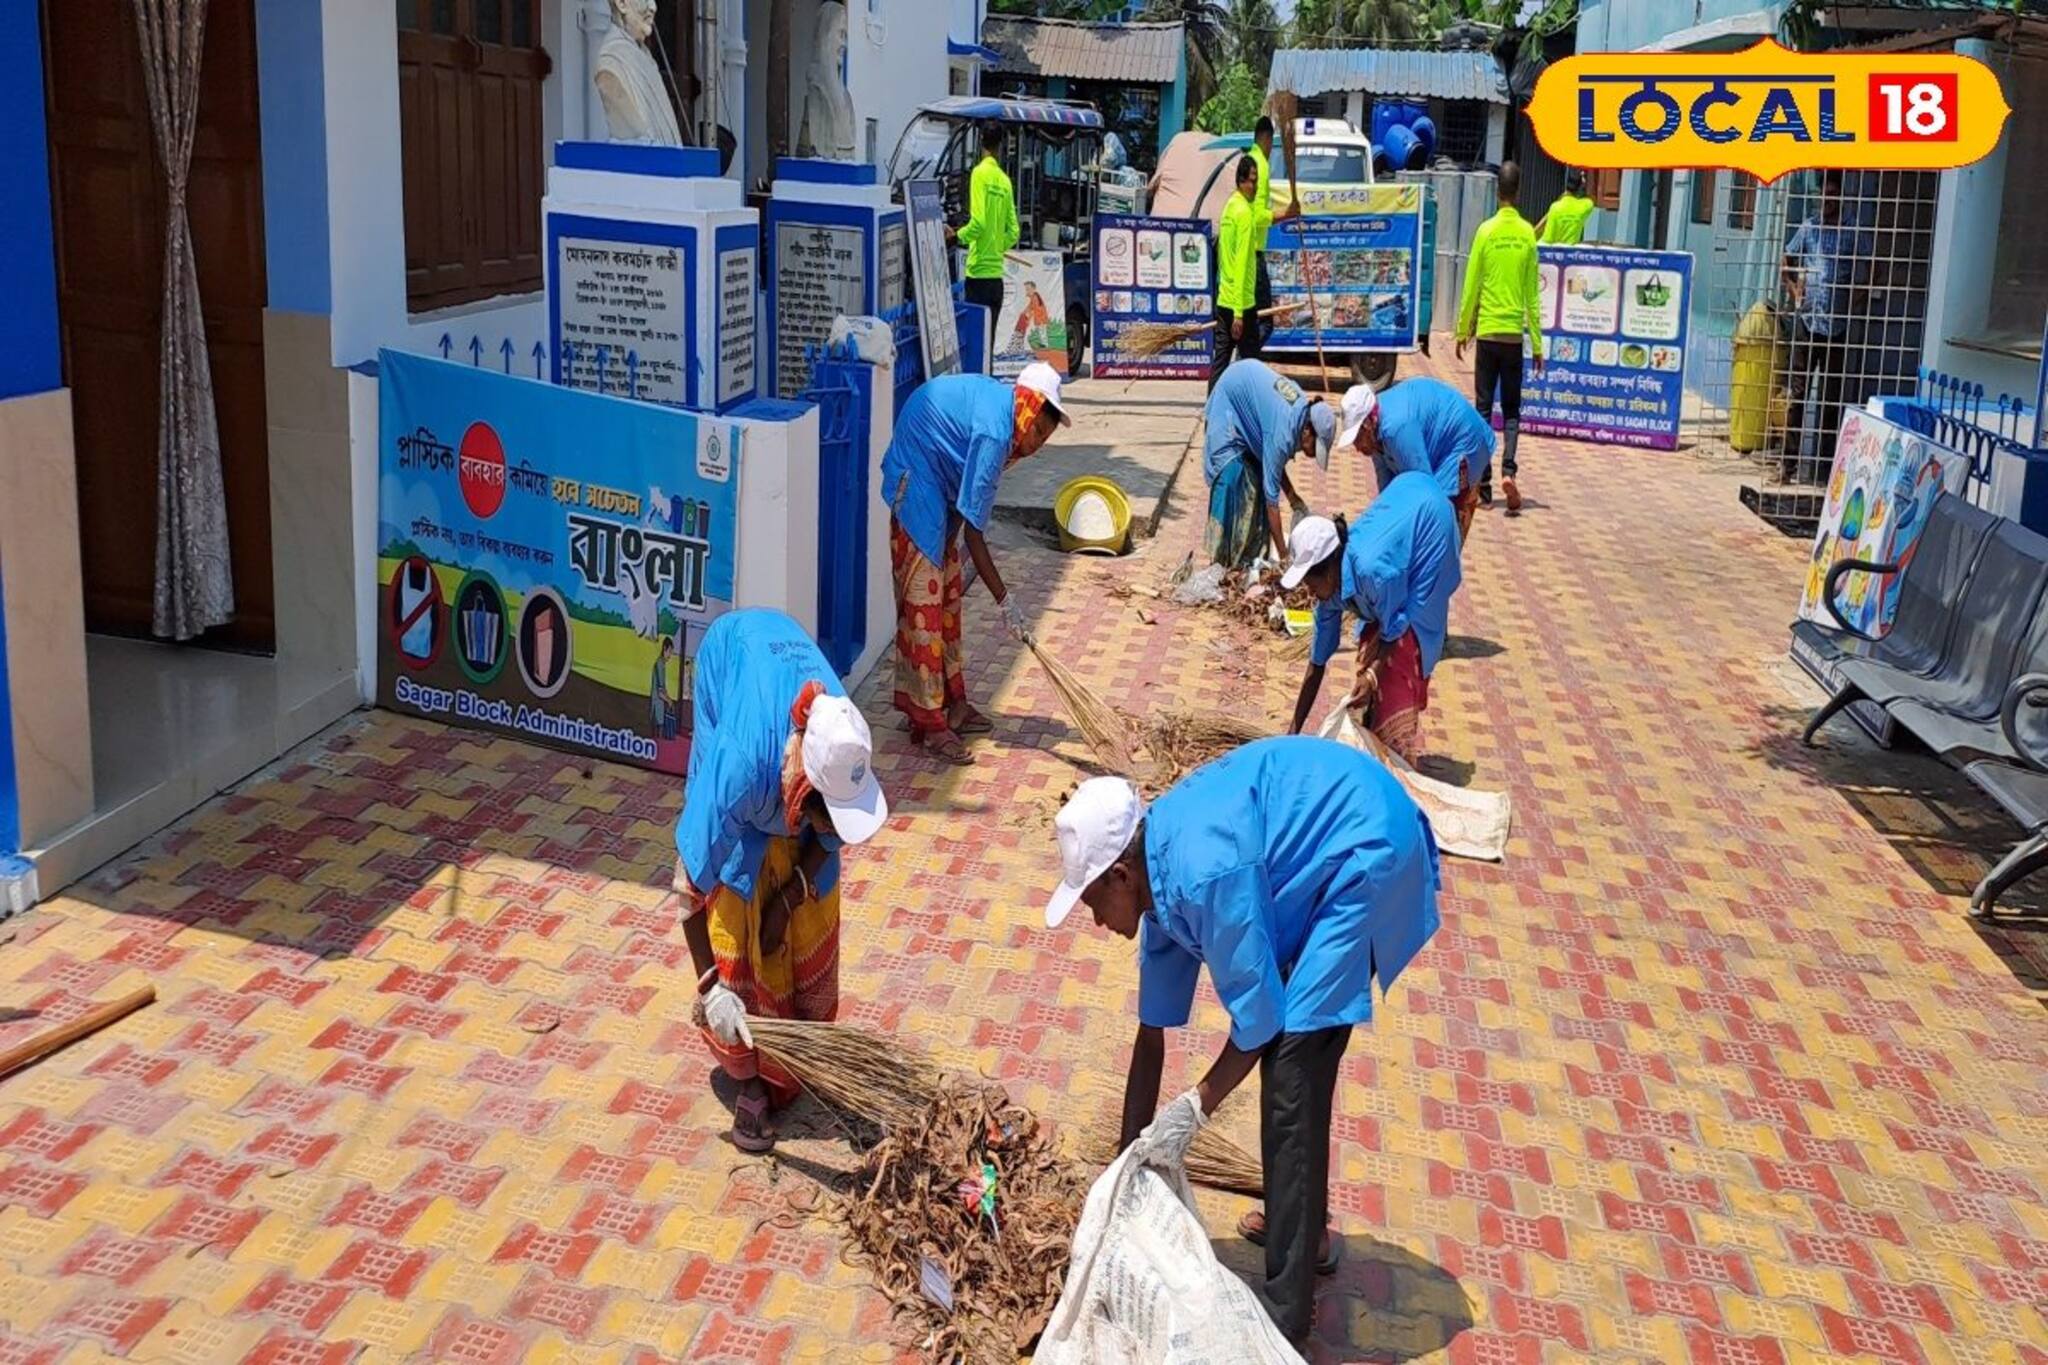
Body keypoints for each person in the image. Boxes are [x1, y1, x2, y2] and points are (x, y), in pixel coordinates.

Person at [1043, 738, 1442, 1346]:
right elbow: (1150, 1035)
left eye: (1095, 902)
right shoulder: (1158, 886)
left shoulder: (1204, 872)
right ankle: (1304, 1235)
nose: (1097, 922)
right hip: (1331, 841)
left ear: (1120, 874)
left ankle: (1286, 1318)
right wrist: (1123, 1173)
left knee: (1291, 1076)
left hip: (1368, 853)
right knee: (1288, 1069)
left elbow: (1260, 1023)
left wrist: (1193, 1109)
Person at [673, 608, 889, 1153]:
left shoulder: (843, 737)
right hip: (733, 666)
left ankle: (801, 1042)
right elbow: (687, 886)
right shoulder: (741, 768)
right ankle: (747, 1076)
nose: (836, 828)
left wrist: (790, 897)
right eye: (827, 815)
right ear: (802, 791)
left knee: (813, 897)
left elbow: (830, 837)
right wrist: (710, 987)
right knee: (736, 890)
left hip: (780, 669)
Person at [880, 361, 1069, 763]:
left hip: (939, 478)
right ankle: (930, 721)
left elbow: (970, 516)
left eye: (1045, 437)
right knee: (924, 604)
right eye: (1037, 430)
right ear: (1027, 407)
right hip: (918, 473)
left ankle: (954, 702)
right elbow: (975, 536)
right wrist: (1006, 602)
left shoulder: (1007, 417)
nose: (1037, 444)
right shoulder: (995, 433)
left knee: (948, 594)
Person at [1281, 474, 1463, 760]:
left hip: (1433, 525)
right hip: (1408, 494)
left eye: (1312, 584)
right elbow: (1316, 665)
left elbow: (1399, 620)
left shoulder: (1371, 571)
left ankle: (1398, 757)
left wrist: (1372, 674)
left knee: (1402, 652)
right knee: (1371, 645)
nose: (1311, 593)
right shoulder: (1330, 595)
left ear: (1329, 569)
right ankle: (1376, 739)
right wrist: (1292, 733)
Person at [1456, 161, 1544, 515]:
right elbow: (1532, 296)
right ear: (1518, 191)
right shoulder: (1526, 234)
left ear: (1498, 193)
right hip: (1512, 336)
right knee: (1511, 410)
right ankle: (1509, 468)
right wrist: (1536, 343)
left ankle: (1487, 483)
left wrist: (1464, 328)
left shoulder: (1485, 231)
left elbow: (1471, 283)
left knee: (1481, 409)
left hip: (1488, 333)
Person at [1202, 358, 1337, 570]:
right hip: (1229, 400)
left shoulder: (1300, 411)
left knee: (1256, 481)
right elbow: (1272, 502)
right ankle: (1218, 561)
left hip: (1246, 387)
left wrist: (1293, 498)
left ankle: (1246, 561)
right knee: (1230, 477)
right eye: (1314, 448)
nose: (1311, 455)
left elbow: (1272, 465)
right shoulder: (1282, 433)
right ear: (1308, 430)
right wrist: (1284, 558)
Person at [1779, 169, 1867, 483]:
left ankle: (1826, 471)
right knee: (1798, 394)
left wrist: (1854, 300)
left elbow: (1871, 268)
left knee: (1830, 399)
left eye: (1832, 196)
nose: (1827, 201)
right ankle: (1787, 466)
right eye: (1823, 196)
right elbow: (1785, 260)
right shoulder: (1809, 228)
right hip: (1807, 320)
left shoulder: (1852, 230)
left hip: (1836, 326)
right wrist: (1795, 292)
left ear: (1840, 198)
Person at [1347, 376, 1498, 541]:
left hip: (1463, 441)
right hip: (1438, 442)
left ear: (1368, 425)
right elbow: (1388, 489)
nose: (1356, 448)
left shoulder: (1397, 428)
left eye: (1357, 439)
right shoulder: (1375, 434)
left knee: (1441, 525)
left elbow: (1421, 488)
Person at [951, 122, 1018, 318]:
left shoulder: (979, 173)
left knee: (975, 344)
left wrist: (957, 236)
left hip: (978, 275)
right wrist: (997, 246)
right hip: (996, 280)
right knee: (988, 344)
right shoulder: (1005, 181)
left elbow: (978, 223)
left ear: (981, 142)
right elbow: (1014, 231)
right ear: (1000, 145)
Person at [1247, 117, 1303, 349]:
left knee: (1252, 319)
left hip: (1249, 251)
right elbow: (1256, 215)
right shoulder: (1259, 165)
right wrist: (1287, 213)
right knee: (1264, 322)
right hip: (1253, 253)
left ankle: (1244, 357)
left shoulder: (1249, 160)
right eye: (1272, 143)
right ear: (1267, 139)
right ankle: (1246, 359)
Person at [1210, 155, 1263, 389]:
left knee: (1220, 362)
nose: (1255, 186)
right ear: (1241, 180)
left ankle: (1212, 411)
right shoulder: (1243, 214)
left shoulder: (1231, 207)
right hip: (1241, 304)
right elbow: (1240, 262)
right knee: (1253, 365)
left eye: (1257, 180)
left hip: (1225, 298)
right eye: (1252, 180)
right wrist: (1239, 314)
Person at [1535, 169, 1595, 246]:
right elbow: (1593, 197)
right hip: (1569, 252)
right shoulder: (1584, 207)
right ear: (1580, 188)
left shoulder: (1555, 207)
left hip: (1550, 251)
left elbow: (1546, 238)